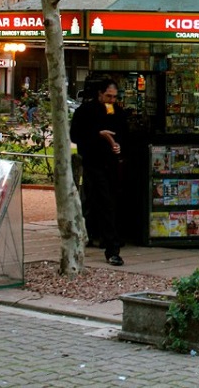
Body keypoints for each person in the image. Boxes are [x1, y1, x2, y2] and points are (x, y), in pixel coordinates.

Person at [70, 78, 127, 266]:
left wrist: (119, 146)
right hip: (92, 162)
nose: (111, 100)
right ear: (100, 94)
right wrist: (97, 135)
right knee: (97, 201)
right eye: (108, 96)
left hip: (111, 163)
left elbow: (124, 134)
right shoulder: (85, 112)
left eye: (114, 97)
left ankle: (110, 243)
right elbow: (75, 136)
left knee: (109, 202)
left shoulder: (117, 112)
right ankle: (105, 243)